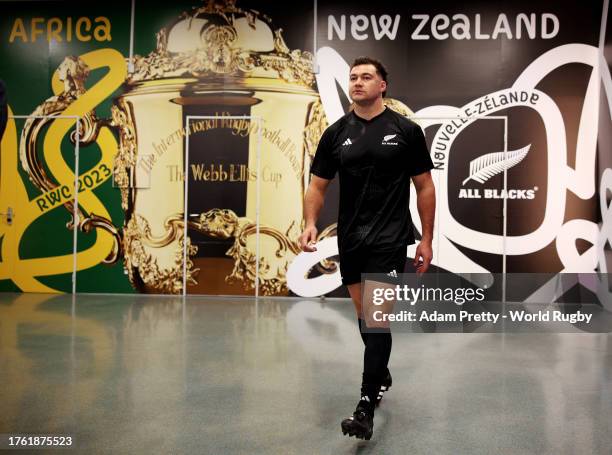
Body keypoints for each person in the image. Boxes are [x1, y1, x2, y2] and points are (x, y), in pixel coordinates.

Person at [298, 56, 435, 440]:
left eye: (366, 77)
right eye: (353, 77)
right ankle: (381, 369)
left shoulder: (406, 131)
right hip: (352, 238)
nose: (357, 82)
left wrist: (426, 237)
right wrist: (310, 222)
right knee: (365, 315)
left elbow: (424, 186)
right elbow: (317, 186)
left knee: (375, 318)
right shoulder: (336, 133)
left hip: (391, 238)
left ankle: (365, 405)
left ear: (383, 85)